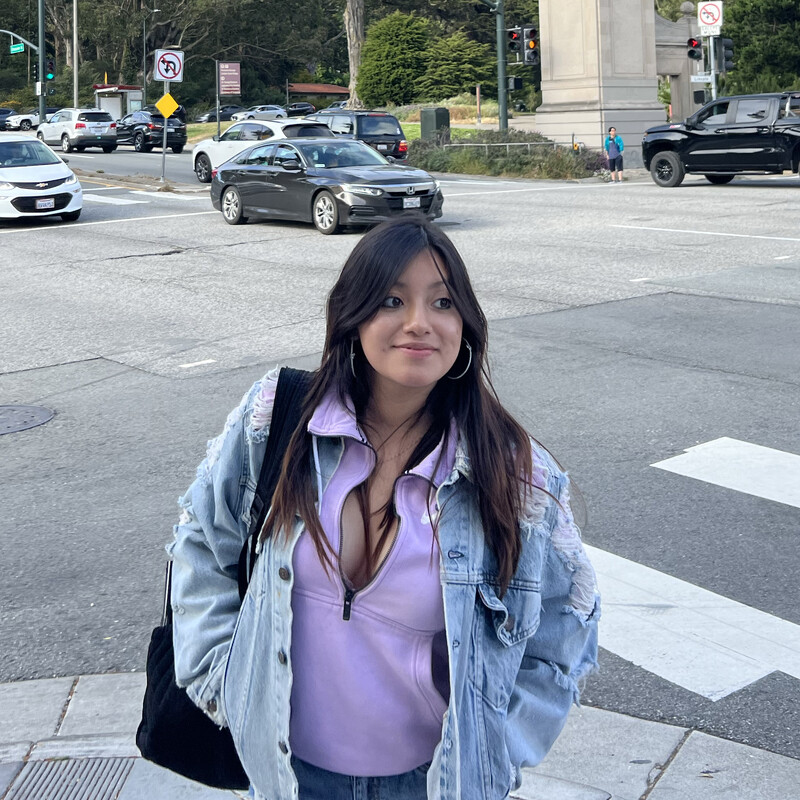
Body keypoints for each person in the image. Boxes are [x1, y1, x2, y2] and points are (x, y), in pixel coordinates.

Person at [169, 215, 600, 800]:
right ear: (354, 315)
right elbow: (201, 540)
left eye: (443, 302)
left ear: (466, 326)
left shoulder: (513, 470)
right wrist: (225, 680)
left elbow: (565, 626)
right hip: (285, 775)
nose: (419, 323)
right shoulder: (279, 417)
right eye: (393, 299)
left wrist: (496, 751)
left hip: (431, 783)